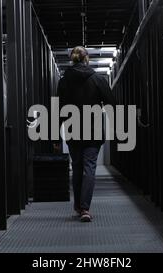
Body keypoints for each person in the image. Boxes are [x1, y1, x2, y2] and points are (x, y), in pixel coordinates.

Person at [54, 46, 116, 222]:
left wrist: (54, 137)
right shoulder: (98, 79)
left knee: (78, 167)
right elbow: (112, 104)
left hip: (73, 131)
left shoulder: (64, 82)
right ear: (87, 59)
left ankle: (79, 205)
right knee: (89, 168)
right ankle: (85, 208)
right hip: (94, 131)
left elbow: (57, 110)